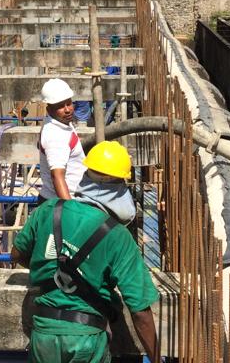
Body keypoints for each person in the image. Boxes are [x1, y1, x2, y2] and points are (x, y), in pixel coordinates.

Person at [12, 141, 159, 363]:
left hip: (43, 334)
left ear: (85, 175)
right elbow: (140, 310)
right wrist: (156, 358)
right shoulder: (118, 236)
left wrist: (47, 265)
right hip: (86, 339)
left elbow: (17, 254)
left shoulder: (49, 210)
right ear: (120, 185)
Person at [38, 78, 85, 200]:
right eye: (60, 106)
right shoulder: (55, 135)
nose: (67, 109)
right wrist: (69, 211)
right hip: (63, 201)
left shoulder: (61, 122)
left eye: (68, 103)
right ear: (49, 110)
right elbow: (57, 175)